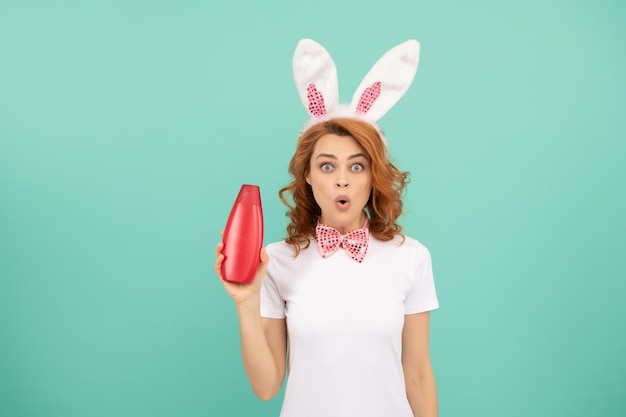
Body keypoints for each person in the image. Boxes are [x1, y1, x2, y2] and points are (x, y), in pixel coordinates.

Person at [215, 39, 439, 417]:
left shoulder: (411, 257)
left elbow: (417, 374)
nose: (341, 181)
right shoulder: (278, 260)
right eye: (326, 165)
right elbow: (267, 386)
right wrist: (246, 301)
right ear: (307, 177)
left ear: (373, 176)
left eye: (356, 166)